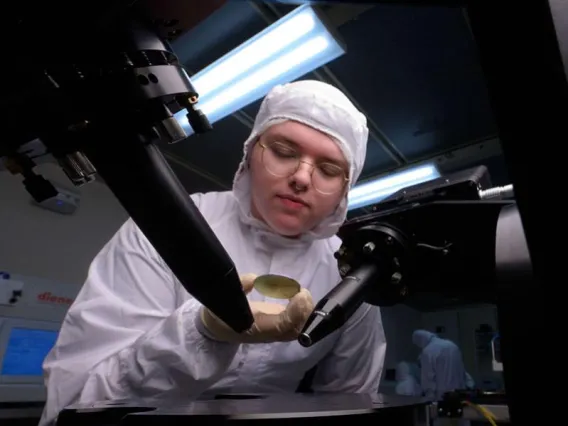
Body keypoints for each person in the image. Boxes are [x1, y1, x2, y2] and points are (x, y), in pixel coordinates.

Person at [39, 80, 388, 425]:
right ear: (250, 151)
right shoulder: (166, 225)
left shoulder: (352, 271)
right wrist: (200, 331)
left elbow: (352, 403)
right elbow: (74, 404)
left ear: (345, 189)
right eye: (284, 151)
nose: (301, 177)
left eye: (328, 170)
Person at [412, 330, 466, 400]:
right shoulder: (452, 345)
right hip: (459, 391)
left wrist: (429, 396)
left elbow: (428, 377)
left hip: (442, 394)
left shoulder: (428, 351)